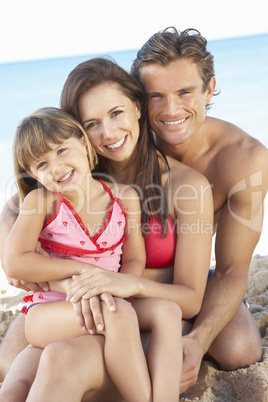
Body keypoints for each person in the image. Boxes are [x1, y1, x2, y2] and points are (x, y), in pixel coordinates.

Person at [0, 58, 213, 400]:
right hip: (55, 305)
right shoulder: (44, 200)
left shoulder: (128, 196)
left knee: (167, 311)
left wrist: (118, 283)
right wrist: (81, 275)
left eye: (116, 113)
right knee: (21, 373)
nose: (109, 133)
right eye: (93, 123)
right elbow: (16, 259)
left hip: (113, 295)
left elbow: (134, 262)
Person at [126, 26, 268, 389]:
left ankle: (180, 330)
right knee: (9, 363)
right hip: (123, 277)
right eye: (155, 95)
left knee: (241, 350)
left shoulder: (244, 160)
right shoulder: (121, 142)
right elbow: (27, 194)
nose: (171, 110)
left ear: (209, 88)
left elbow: (234, 269)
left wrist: (197, 340)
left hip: (193, 282)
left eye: (185, 92)